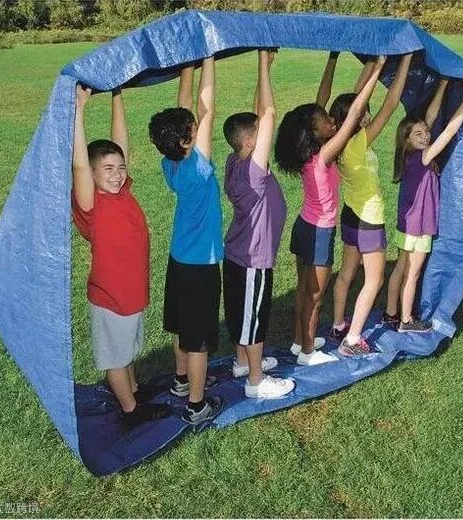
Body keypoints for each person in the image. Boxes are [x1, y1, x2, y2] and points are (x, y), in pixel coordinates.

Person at [274, 54, 386, 366]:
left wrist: (332, 61)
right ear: (314, 131)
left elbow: (320, 100)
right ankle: (308, 354)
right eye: (325, 120)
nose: (331, 120)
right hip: (319, 232)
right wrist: (377, 70)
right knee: (315, 296)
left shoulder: (307, 151)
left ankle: (299, 342)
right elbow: (353, 115)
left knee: (303, 290)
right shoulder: (324, 155)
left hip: (303, 226)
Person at [72, 85, 170, 428]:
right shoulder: (91, 204)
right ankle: (130, 412)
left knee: (126, 350)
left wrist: (117, 94)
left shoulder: (121, 190)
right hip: (111, 296)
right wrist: (79, 111)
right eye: (108, 169)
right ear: (92, 175)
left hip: (131, 292)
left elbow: (120, 142)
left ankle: (134, 392)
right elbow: (80, 165)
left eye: (121, 168)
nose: (117, 174)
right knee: (115, 356)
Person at [321, 53, 413, 356]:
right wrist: (403, 62)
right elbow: (391, 103)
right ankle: (352, 340)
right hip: (369, 219)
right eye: (362, 115)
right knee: (374, 279)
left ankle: (338, 325)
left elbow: (356, 99)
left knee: (347, 272)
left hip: (351, 214)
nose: (367, 118)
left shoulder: (335, 142)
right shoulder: (358, 142)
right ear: (351, 119)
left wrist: (373, 66)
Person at [148, 57, 224, 425]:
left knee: (182, 325)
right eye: (192, 129)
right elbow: (207, 111)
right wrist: (207, 59)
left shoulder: (171, 163)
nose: (198, 126)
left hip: (179, 259)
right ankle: (196, 405)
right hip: (199, 266)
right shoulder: (197, 166)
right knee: (198, 339)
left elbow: (190, 112)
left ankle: (181, 381)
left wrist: (187, 70)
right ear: (185, 140)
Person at [222, 49, 294, 399]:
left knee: (240, 312)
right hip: (253, 259)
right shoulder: (253, 172)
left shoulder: (234, 160)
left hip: (237, 253)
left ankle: (241, 362)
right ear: (251, 142)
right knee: (254, 319)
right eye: (258, 134)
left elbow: (257, 118)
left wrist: (264, 66)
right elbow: (268, 115)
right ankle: (255, 381)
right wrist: (263, 64)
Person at [385, 78, 463, 331]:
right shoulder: (423, 157)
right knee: (412, 274)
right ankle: (406, 321)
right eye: (419, 134)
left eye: (426, 132)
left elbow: (429, 118)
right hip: (418, 227)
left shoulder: (408, 154)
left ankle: (390, 313)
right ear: (407, 139)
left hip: (406, 223)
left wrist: (442, 85)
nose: (426, 135)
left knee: (400, 268)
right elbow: (448, 132)